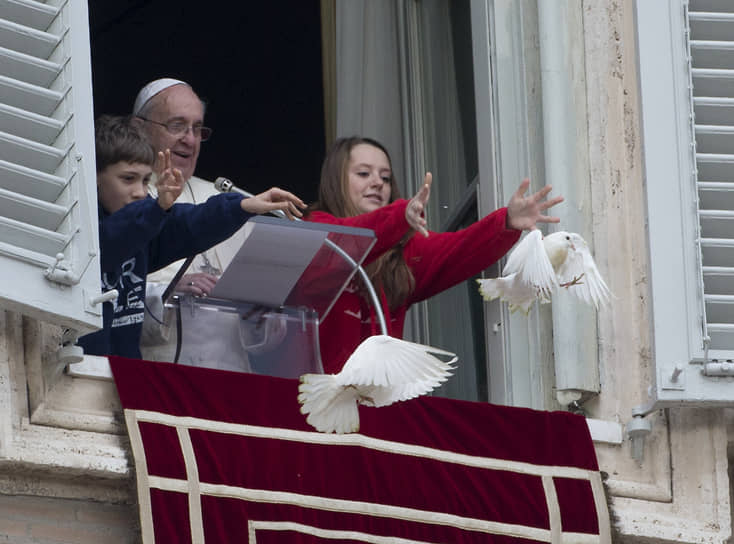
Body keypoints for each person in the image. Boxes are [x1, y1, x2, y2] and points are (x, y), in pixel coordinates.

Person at [305, 136, 564, 374]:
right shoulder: (316, 229)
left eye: (385, 178)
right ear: (336, 181)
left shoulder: (402, 253)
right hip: (317, 403)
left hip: (377, 406)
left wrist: (506, 221)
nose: (377, 183)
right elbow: (346, 238)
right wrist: (399, 216)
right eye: (364, 173)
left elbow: (460, 248)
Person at [77, 115, 304, 359]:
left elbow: (192, 223)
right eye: (128, 179)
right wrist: (156, 209)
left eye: (145, 181)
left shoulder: (146, 224)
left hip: (124, 375)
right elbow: (112, 241)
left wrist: (243, 206)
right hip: (80, 372)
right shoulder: (80, 232)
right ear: (94, 176)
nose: (140, 192)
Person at [133, 78, 283, 367]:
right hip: (157, 376)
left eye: (197, 128)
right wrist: (168, 292)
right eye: (177, 125)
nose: (189, 139)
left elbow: (264, 337)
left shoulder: (224, 199)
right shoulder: (122, 197)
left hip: (230, 379)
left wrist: (260, 316)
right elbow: (106, 300)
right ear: (139, 128)